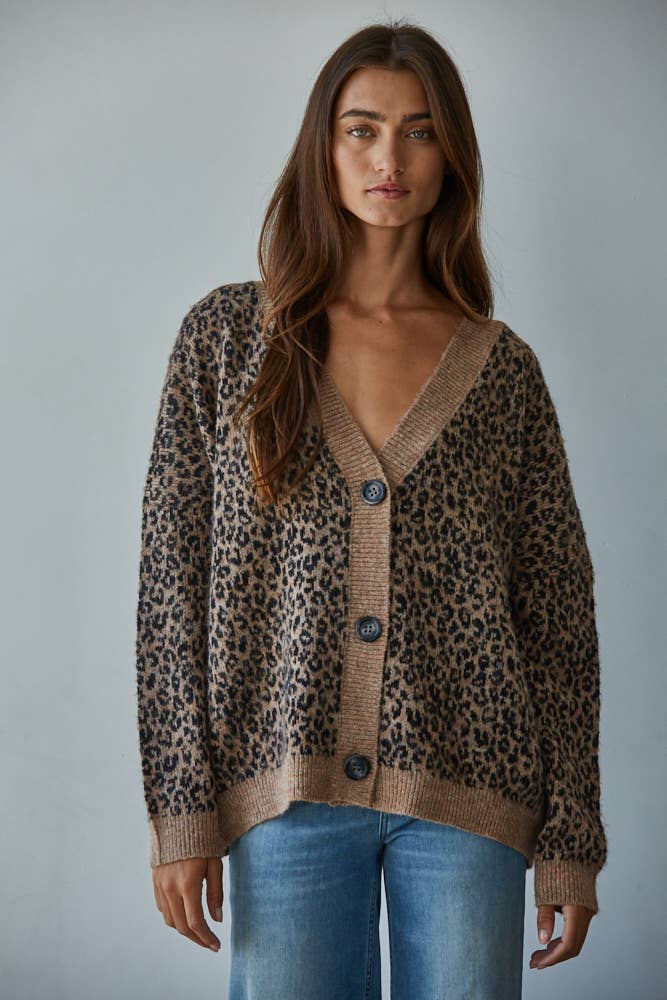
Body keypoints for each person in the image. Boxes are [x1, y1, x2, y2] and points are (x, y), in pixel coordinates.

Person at [135, 18, 608, 999]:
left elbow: (557, 617)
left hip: (470, 798)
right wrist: (182, 811)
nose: (389, 159)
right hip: (284, 798)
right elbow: (170, 592)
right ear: (323, 147)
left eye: (419, 131)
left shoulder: (501, 372)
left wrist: (571, 839)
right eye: (362, 129)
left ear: (451, 157)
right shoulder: (227, 341)